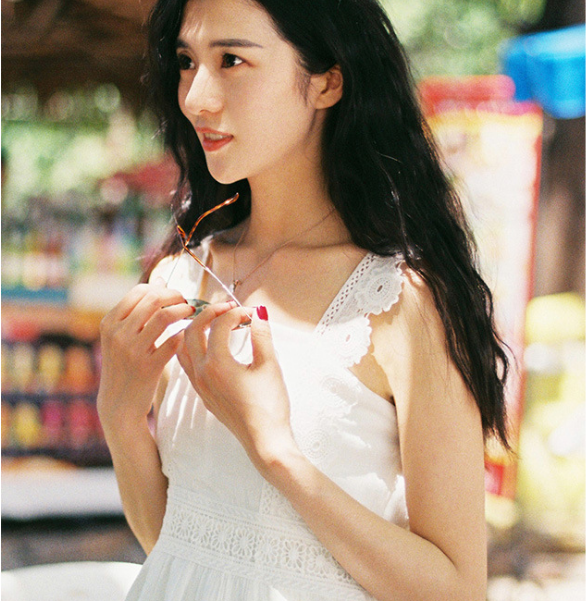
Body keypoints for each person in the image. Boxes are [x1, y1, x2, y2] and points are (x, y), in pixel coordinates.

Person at [97, 0, 510, 599]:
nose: (195, 97)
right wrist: (120, 415)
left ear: (327, 82)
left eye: (231, 60)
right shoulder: (179, 279)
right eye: (187, 61)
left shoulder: (399, 302)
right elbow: (178, 547)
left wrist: (276, 452)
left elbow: (457, 590)